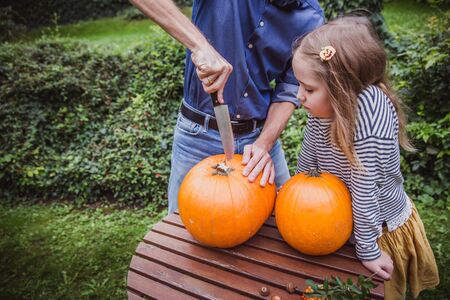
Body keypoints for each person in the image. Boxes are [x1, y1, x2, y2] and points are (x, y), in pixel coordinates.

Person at [292, 16, 439, 299]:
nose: (300, 96)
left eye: (308, 89)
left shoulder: (371, 112)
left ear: (341, 89)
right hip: (343, 217)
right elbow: (309, 156)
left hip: (378, 226)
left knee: (377, 290)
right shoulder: (324, 107)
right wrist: (298, 197)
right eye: (299, 85)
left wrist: (369, 248)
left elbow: (365, 188)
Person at [129, 0, 324, 213]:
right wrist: (199, 46)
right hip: (197, 139)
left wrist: (264, 144)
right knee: (184, 233)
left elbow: (289, 89)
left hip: (260, 142)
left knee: (290, 217)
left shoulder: (311, 17)